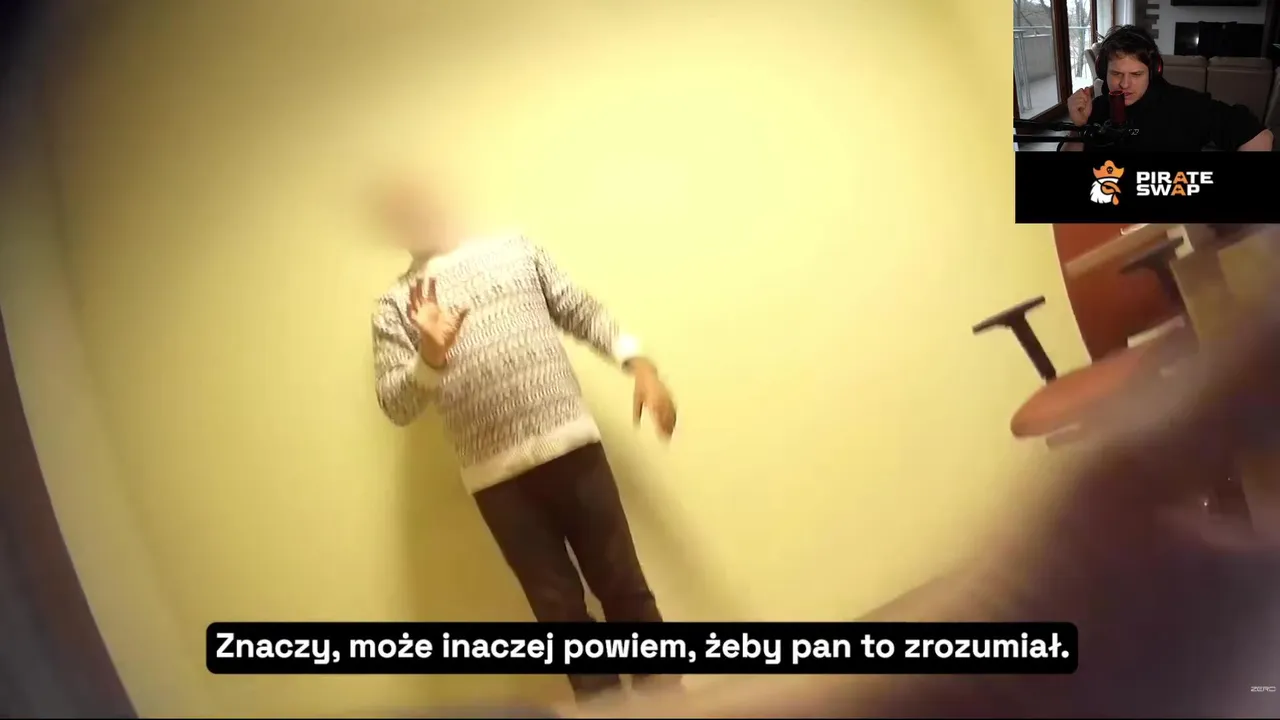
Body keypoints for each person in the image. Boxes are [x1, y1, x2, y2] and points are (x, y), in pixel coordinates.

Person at [369, 177, 679, 703]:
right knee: (562, 620)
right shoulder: (396, 307)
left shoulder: (515, 250)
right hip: (498, 483)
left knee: (627, 593)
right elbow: (396, 405)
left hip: (574, 450)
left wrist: (641, 367)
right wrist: (429, 356)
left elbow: (583, 312)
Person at [1062, 25, 1273, 152]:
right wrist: (1078, 126)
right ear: (1102, 71)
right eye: (1116, 74)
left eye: (1136, 74)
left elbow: (1260, 136)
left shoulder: (1186, 105)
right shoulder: (1096, 108)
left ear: (1154, 71)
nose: (1124, 84)